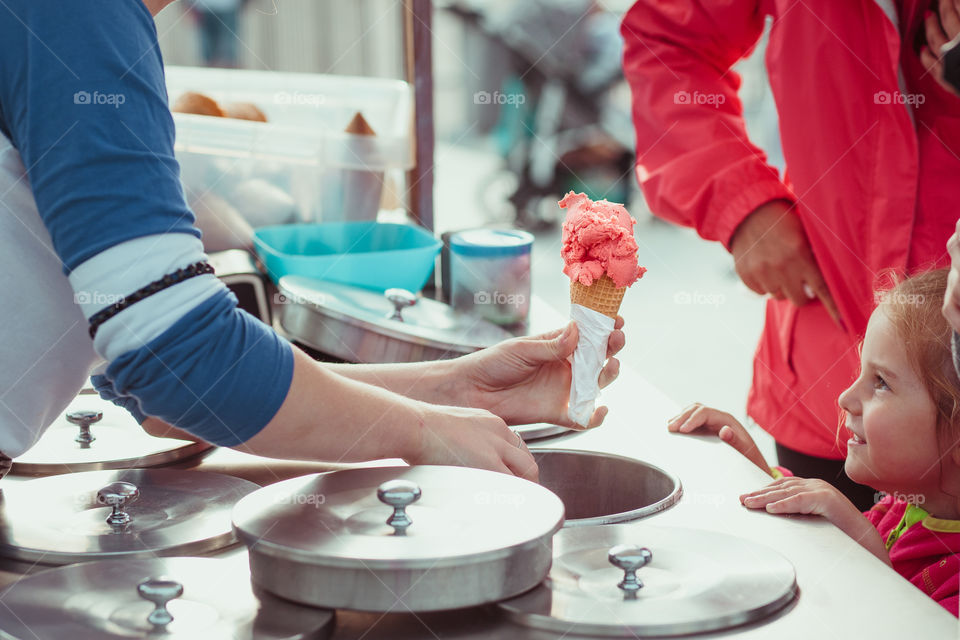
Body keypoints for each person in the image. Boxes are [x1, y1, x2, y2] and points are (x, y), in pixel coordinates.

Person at [0, 0, 626, 482]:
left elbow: (165, 401)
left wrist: (457, 389)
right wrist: (419, 430)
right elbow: (181, 363)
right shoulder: (78, 18)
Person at [622, 1, 960, 510]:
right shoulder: (847, 402)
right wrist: (742, 203)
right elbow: (671, 39)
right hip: (821, 354)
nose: (853, 399)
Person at [669, 269, 960, 616]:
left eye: (881, 383)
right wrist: (755, 473)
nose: (845, 397)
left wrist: (860, 540)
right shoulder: (902, 509)